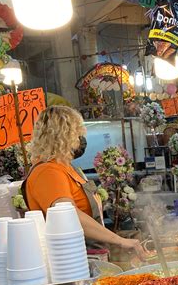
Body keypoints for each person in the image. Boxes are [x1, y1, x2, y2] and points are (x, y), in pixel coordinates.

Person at [22, 105, 146, 259]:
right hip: (73, 259)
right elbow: (70, 215)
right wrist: (119, 241)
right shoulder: (47, 172)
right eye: (77, 134)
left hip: (91, 252)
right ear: (64, 135)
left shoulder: (65, 167)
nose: (80, 140)